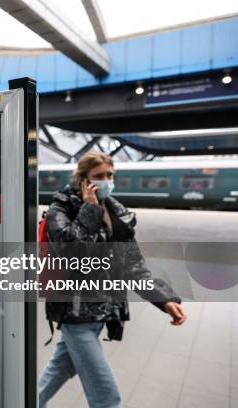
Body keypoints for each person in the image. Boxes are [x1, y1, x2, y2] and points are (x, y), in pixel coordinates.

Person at [39, 152, 186, 408]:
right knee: (107, 399)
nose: (107, 181)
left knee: (52, 377)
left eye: (110, 175)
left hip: (102, 315)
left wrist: (164, 300)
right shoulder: (60, 209)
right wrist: (89, 210)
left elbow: (133, 265)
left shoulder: (117, 213)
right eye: (99, 176)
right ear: (83, 180)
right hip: (75, 316)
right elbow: (73, 254)